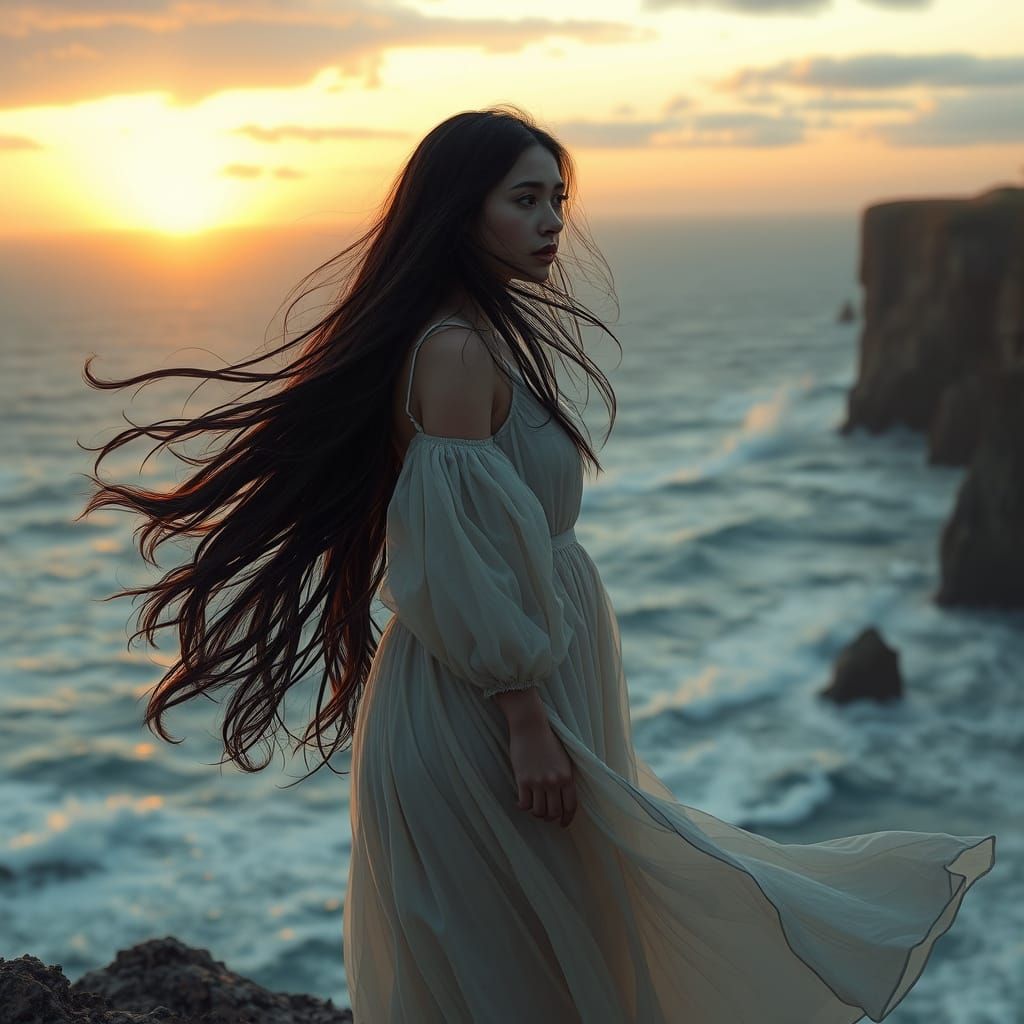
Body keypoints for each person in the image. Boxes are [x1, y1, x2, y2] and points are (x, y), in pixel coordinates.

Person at [80, 106, 995, 1023]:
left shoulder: (478, 336)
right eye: (524, 199)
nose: (552, 220)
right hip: (486, 708)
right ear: (458, 212)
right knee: (525, 979)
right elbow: (456, 551)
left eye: (557, 199)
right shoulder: (455, 351)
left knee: (558, 958)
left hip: (508, 689)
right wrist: (524, 719)